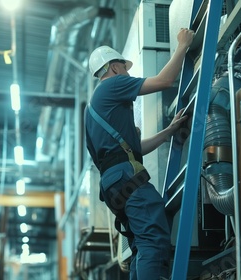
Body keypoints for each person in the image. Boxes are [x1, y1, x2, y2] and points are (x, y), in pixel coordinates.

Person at [85, 28, 194, 280]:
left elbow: (134, 150)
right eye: (125, 67)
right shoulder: (112, 85)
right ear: (113, 68)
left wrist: (168, 131)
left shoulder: (93, 110)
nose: (128, 73)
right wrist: (182, 45)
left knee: (141, 246)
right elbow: (164, 81)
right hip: (126, 177)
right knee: (154, 240)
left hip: (113, 185)